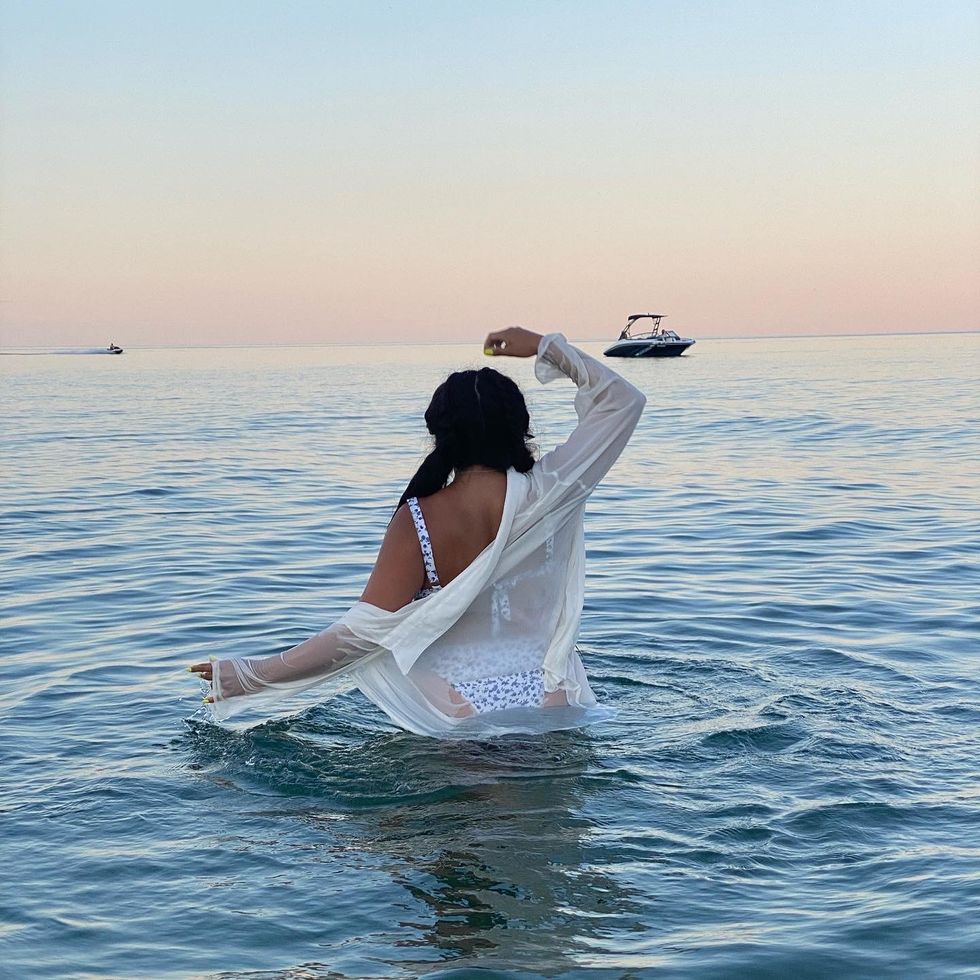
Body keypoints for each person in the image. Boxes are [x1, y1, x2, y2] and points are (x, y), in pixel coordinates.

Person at [190, 326, 646, 737]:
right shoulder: (555, 490)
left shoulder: (420, 518)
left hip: (459, 705)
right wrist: (545, 347)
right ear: (521, 427)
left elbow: (361, 635)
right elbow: (625, 401)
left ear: (438, 433)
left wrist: (248, 675)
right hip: (554, 695)